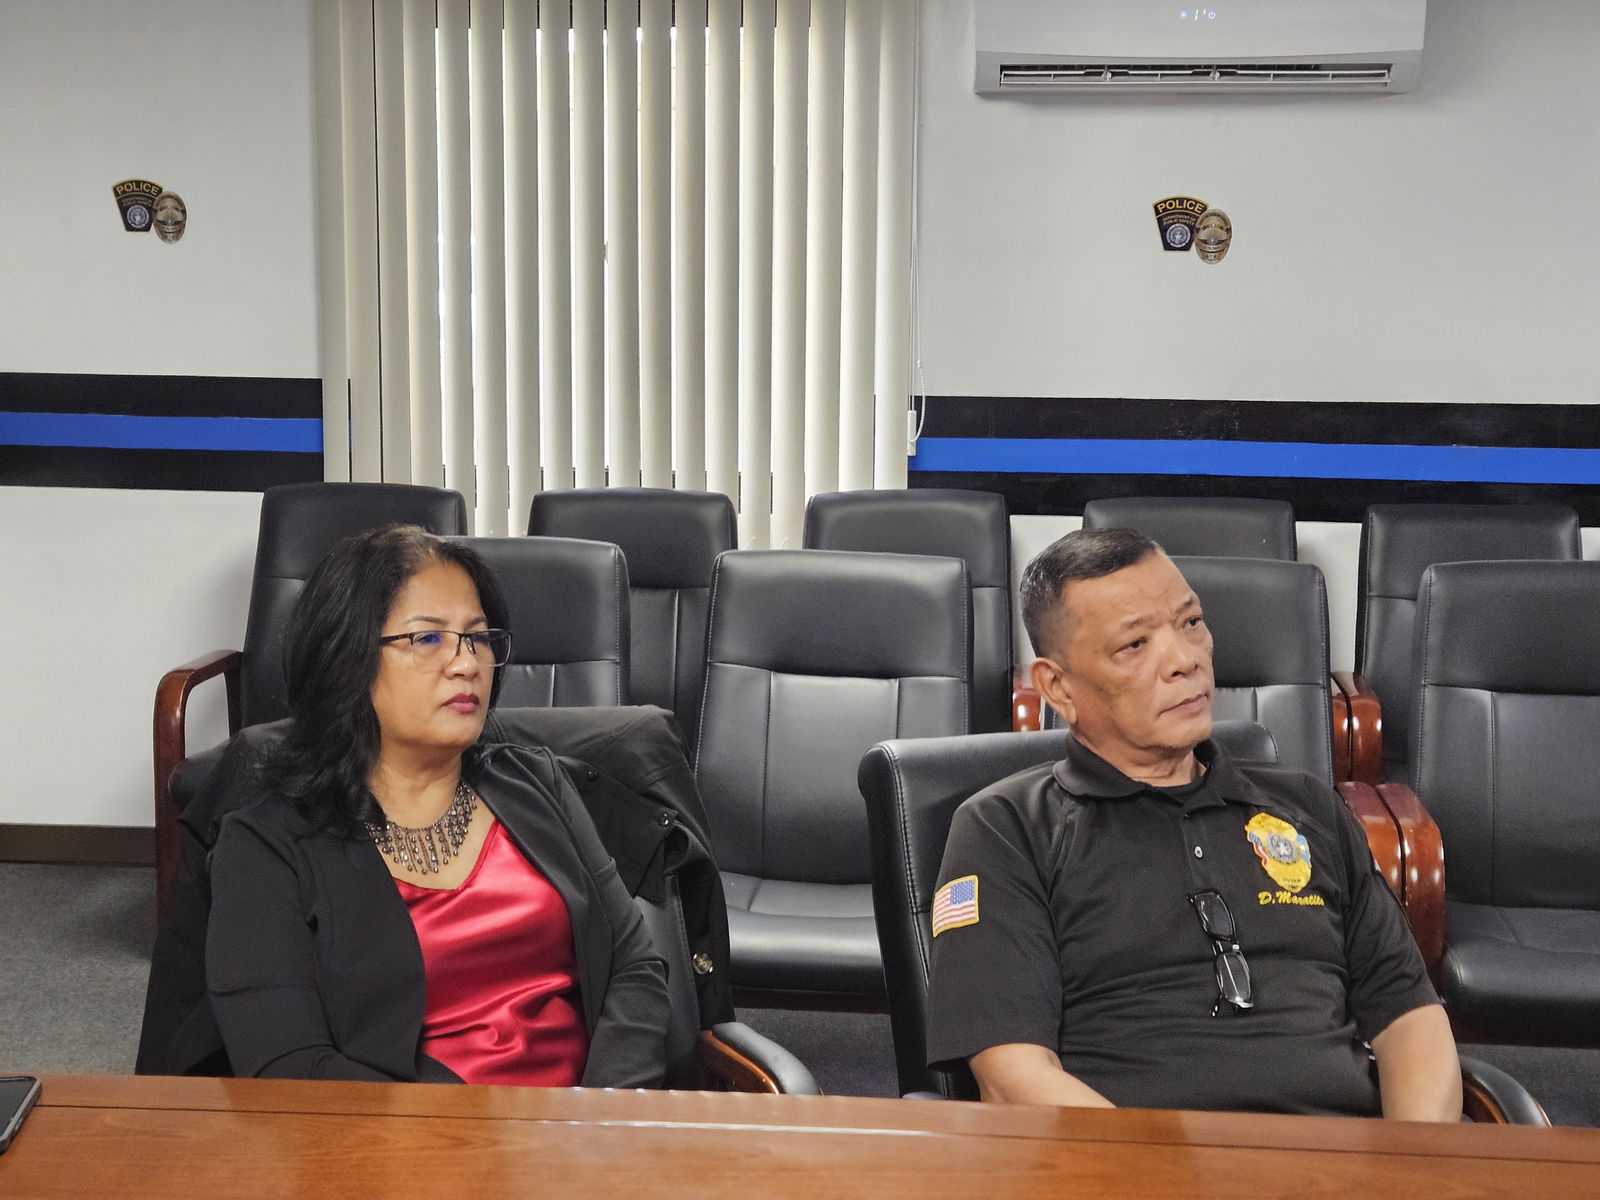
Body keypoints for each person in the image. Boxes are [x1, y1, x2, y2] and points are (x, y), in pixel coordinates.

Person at [925, 528, 1461, 1120]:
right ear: (1059, 687)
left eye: (1191, 623)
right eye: (1134, 644)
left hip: (1341, 1153)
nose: (1185, 660)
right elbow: (1012, 1077)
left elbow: (1409, 1016)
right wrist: (1166, 1166)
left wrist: (1416, 1158)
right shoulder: (1006, 829)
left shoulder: (1308, 806)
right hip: (1119, 1157)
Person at [205, 524, 670, 1086]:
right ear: (345, 657)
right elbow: (291, 1067)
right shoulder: (267, 845)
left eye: (478, 637)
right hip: (404, 1135)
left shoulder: (538, 784)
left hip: (589, 1124)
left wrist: (600, 1110)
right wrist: (477, 1132)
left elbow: (633, 967)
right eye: (427, 638)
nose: (466, 663)